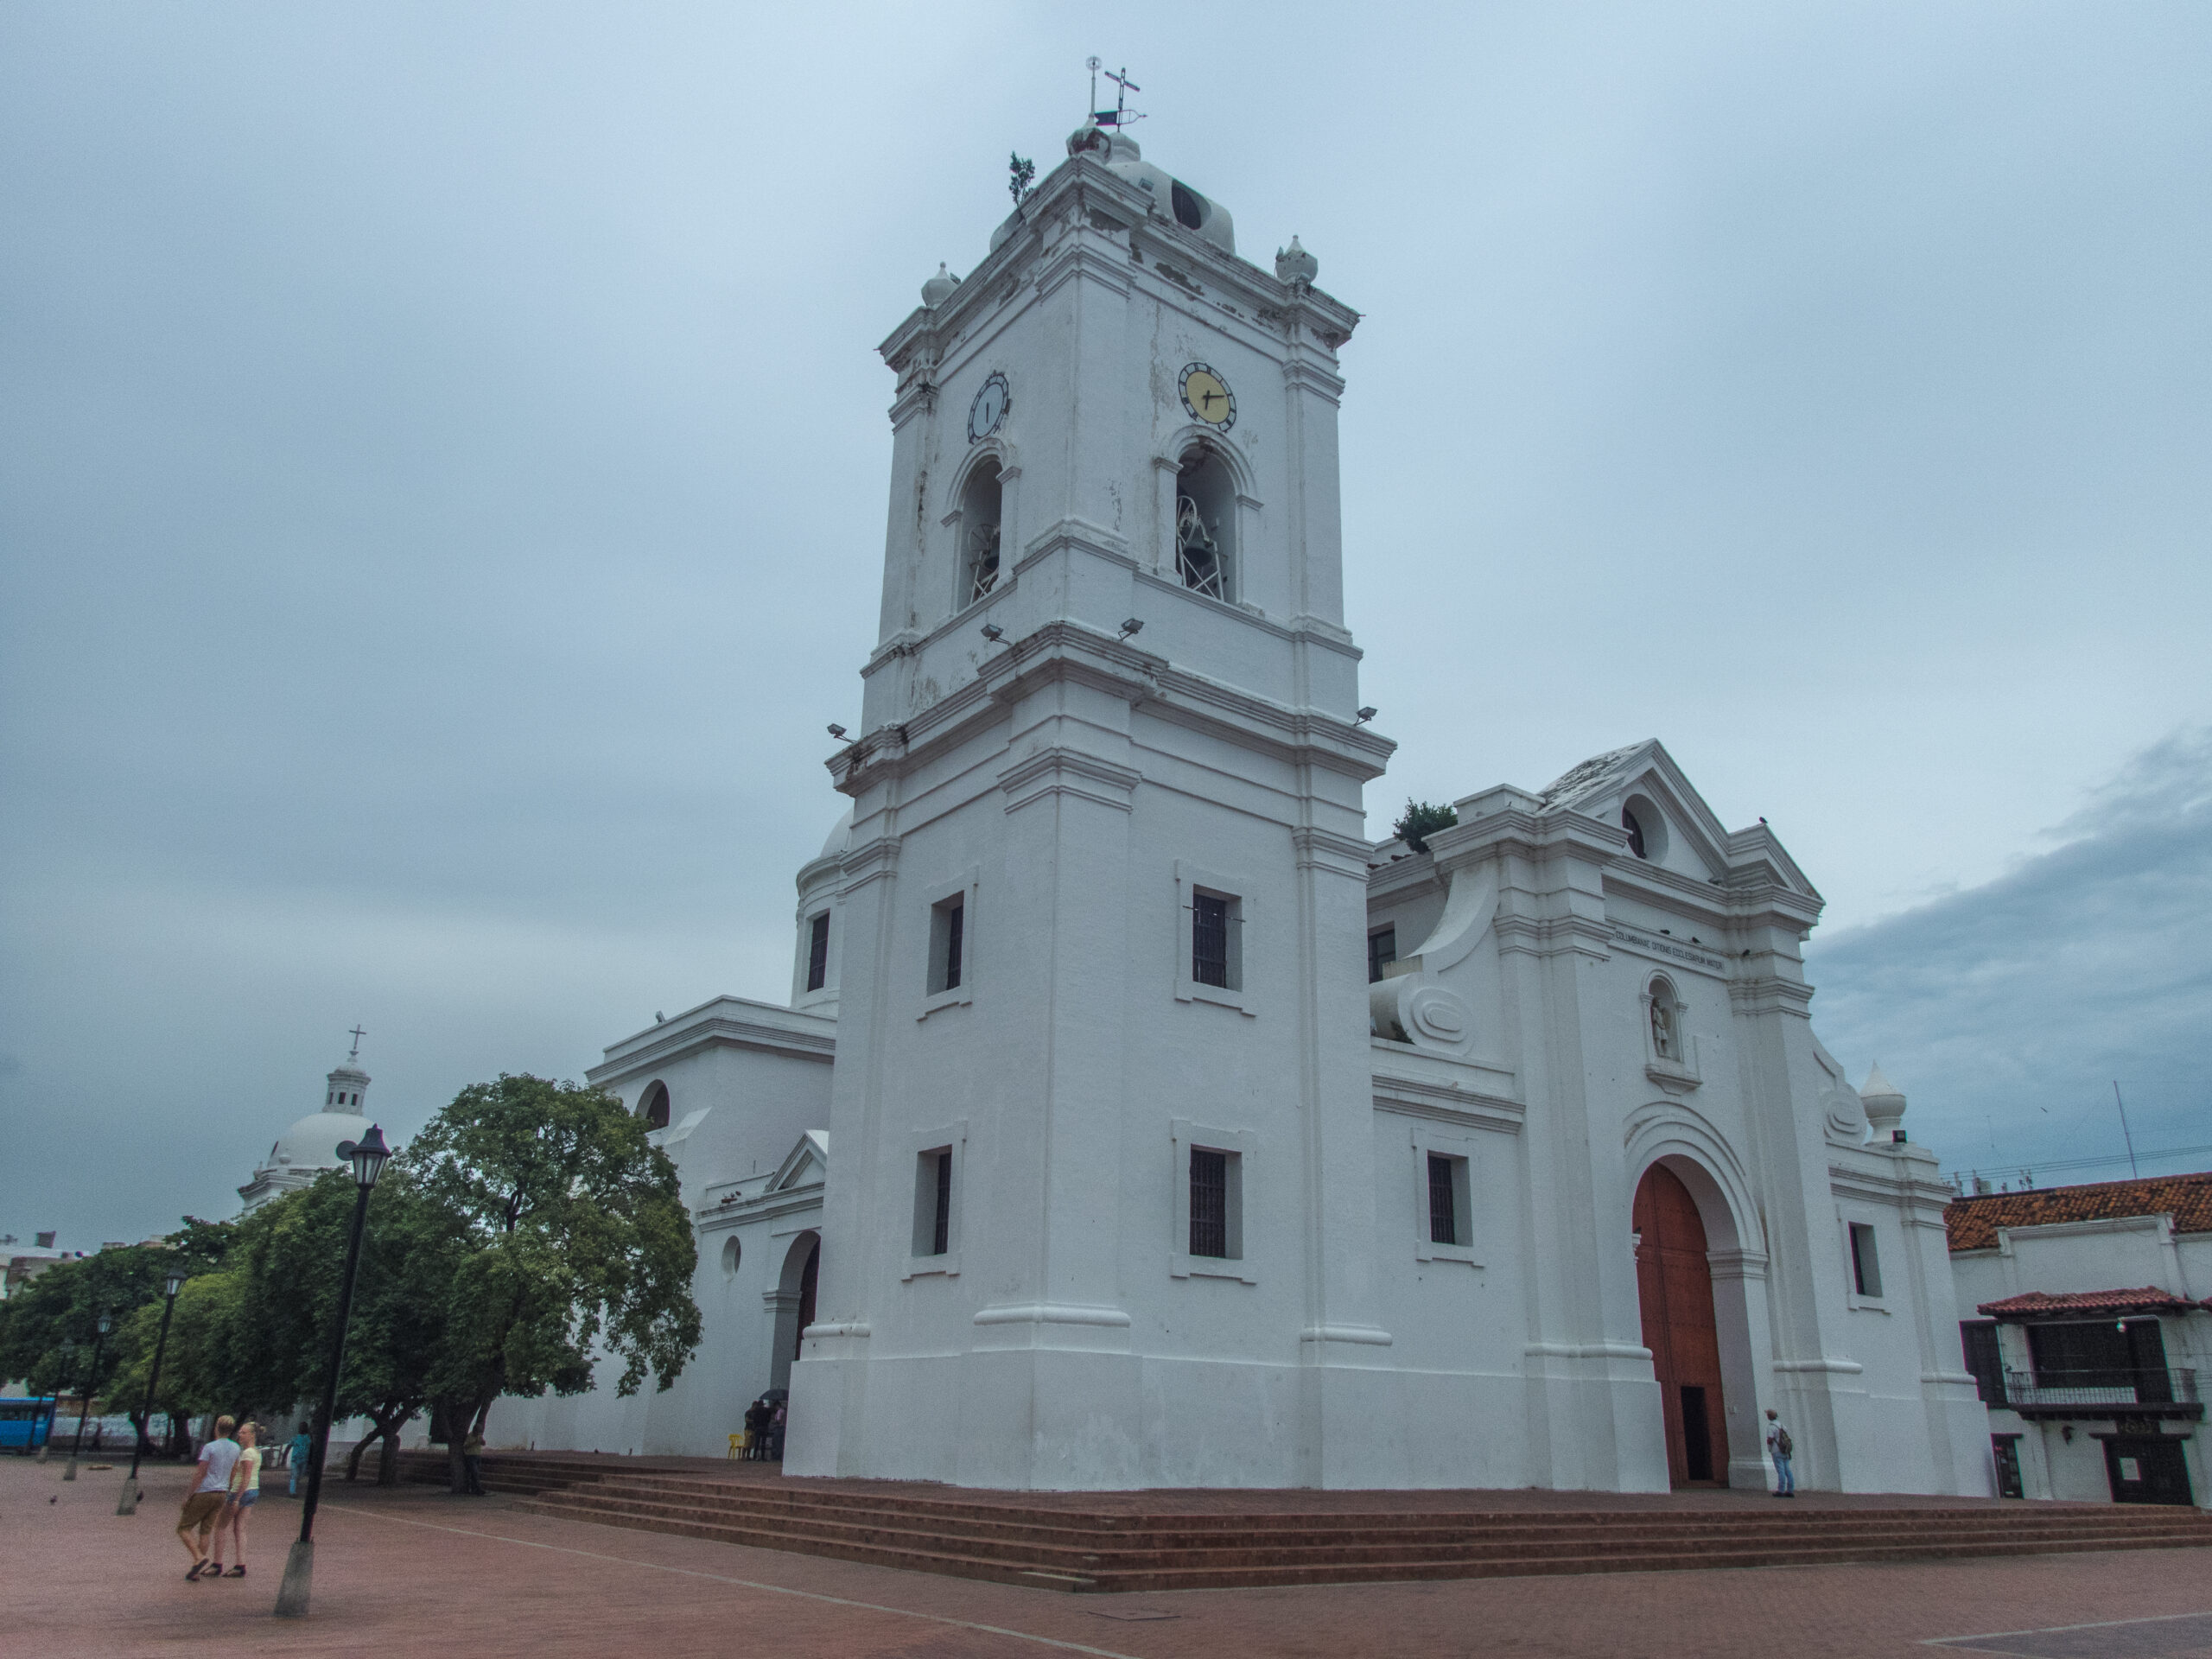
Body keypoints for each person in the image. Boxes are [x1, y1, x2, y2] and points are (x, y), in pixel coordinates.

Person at [176, 1416, 240, 1580]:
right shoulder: (235, 1448)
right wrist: (228, 1488)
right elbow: (234, 1471)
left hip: (206, 1491)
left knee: (183, 1528)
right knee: (205, 1530)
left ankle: (198, 1557)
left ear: (216, 1428)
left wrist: (189, 1494)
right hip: (221, 1492)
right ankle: (196, 1569)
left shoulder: (209, 1447)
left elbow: (200, 1472)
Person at [211, 1421, 262, 1577]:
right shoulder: (256, 1452)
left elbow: (245, 1476)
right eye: (240, 1432)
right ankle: (241, 1564)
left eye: (244, 1433)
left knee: (220, 1526)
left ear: (252, 1435)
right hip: (253, 1490)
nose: (240, 1435)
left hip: (241, 1491)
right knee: (240, 1528)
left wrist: (236, 1498)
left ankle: (217, 1563)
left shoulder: (246, 1454)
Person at [1764, 1408, 1795, 1497]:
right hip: (1785, 1450)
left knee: (1780, 1471)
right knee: (1787, 1471)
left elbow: (1770, 1439)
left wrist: (1769, 1443)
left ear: (1769, 1416)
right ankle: (1790, 1490)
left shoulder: (1771, 1427)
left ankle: (1780, 1490)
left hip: (1776, 1450)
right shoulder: (1782, 1425)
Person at [461, 1427, 486, 1497]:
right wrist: (474, 1442)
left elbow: (483, 1444)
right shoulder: (470, 1436)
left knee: (475, 1473)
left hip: (477, 1455)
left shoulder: (479, 1436)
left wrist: (482, 1441)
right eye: (478, 1432)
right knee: (475, 1473)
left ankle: (474, 1489)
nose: (478, 1434)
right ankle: (478, 1489)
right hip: (470, 1456)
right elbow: (465, 1446)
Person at [289, 1427, 312, 1497]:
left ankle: (295, 1483)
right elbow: (289, 1446)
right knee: (294, 1475)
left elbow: (311, 1447)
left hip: (304, 1460)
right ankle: (292, 1492)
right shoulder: (295, 1437)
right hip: (295, 1460)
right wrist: (284, 1457)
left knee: (301, 1475)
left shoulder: (308, 1438)